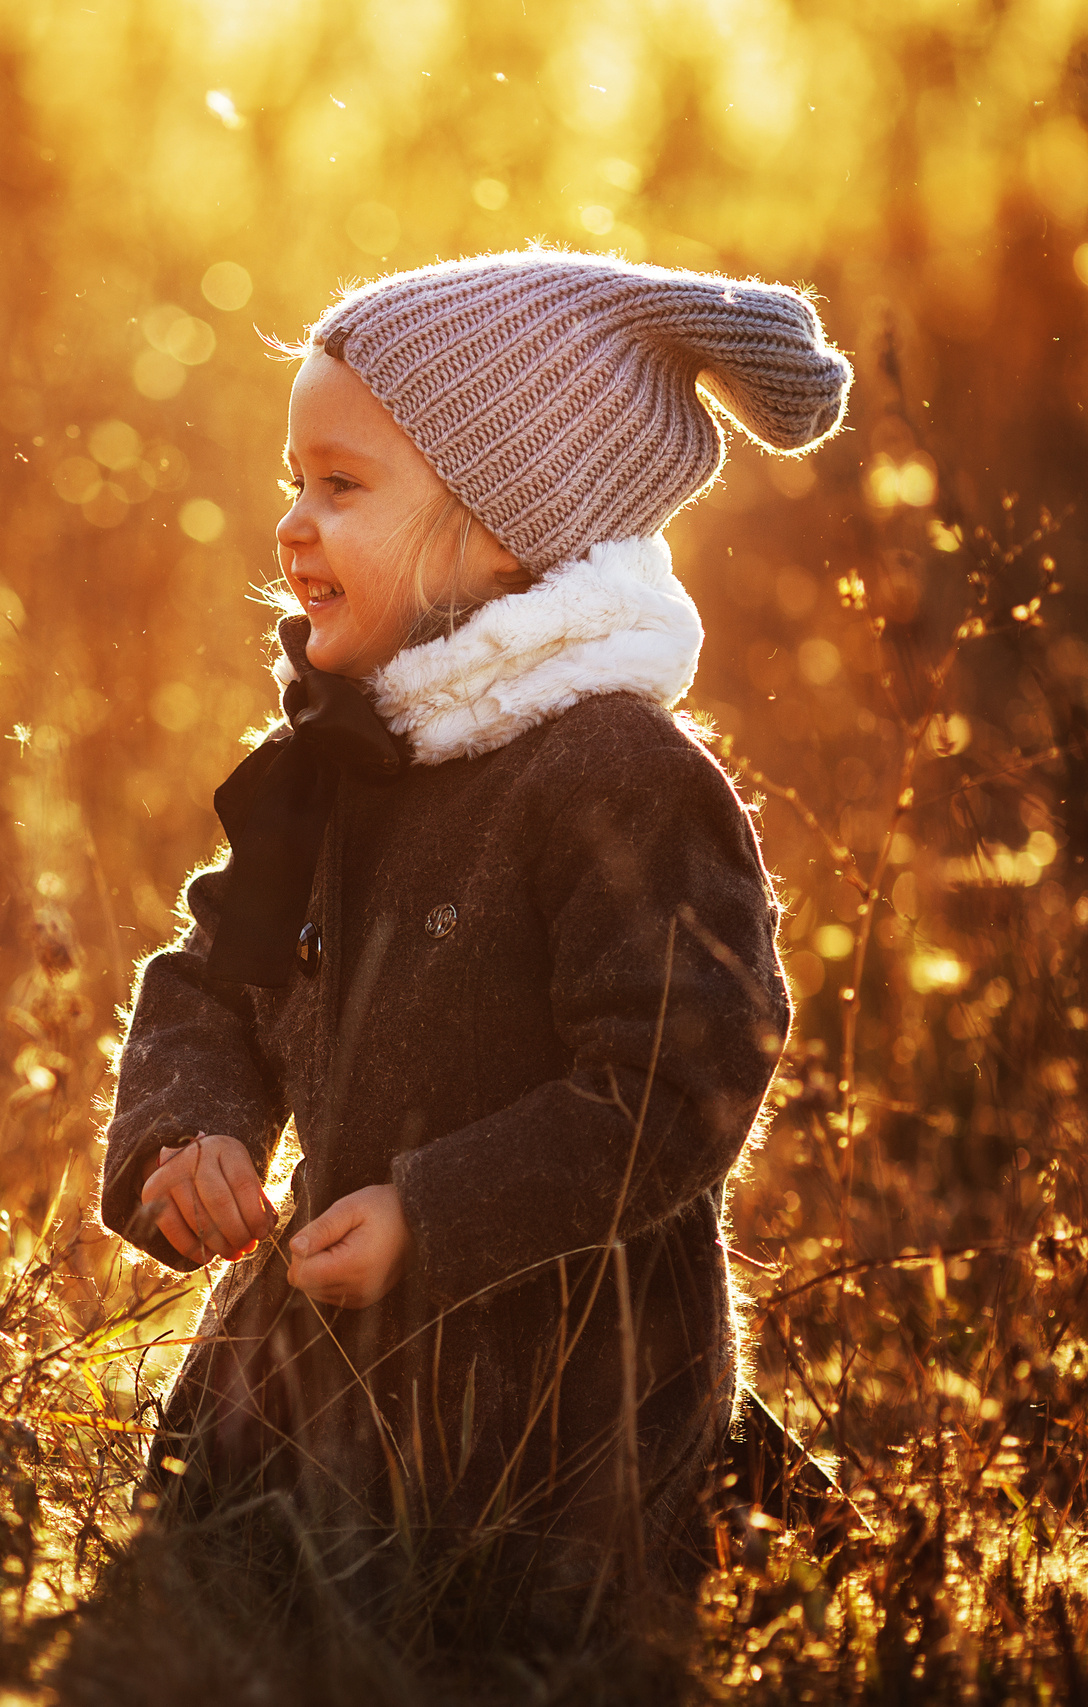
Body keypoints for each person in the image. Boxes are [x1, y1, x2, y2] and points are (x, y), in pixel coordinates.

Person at [100, 249, 851, 1610]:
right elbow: (215, 977)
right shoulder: (337, 760)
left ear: (504, 526)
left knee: (486, 1623)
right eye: (292, 479)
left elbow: (677, 1078)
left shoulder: (618, 775)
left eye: (341, 485)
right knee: (212, 1613)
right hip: (318, 1375)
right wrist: (186, 1134)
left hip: (561, 1402)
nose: (292, 524)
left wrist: (435, 1215)